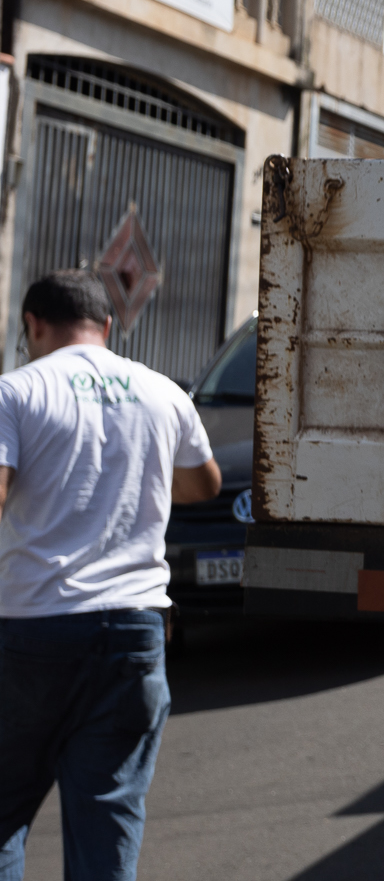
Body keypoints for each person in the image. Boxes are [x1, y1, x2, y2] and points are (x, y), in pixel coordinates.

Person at [0, 271, 220, 881]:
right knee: (108, 820)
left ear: (34, 325)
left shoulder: (14, 393)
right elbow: (204, 483)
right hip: (135, 631)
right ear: (107, 326)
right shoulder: (162, 392)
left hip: (35, 630)